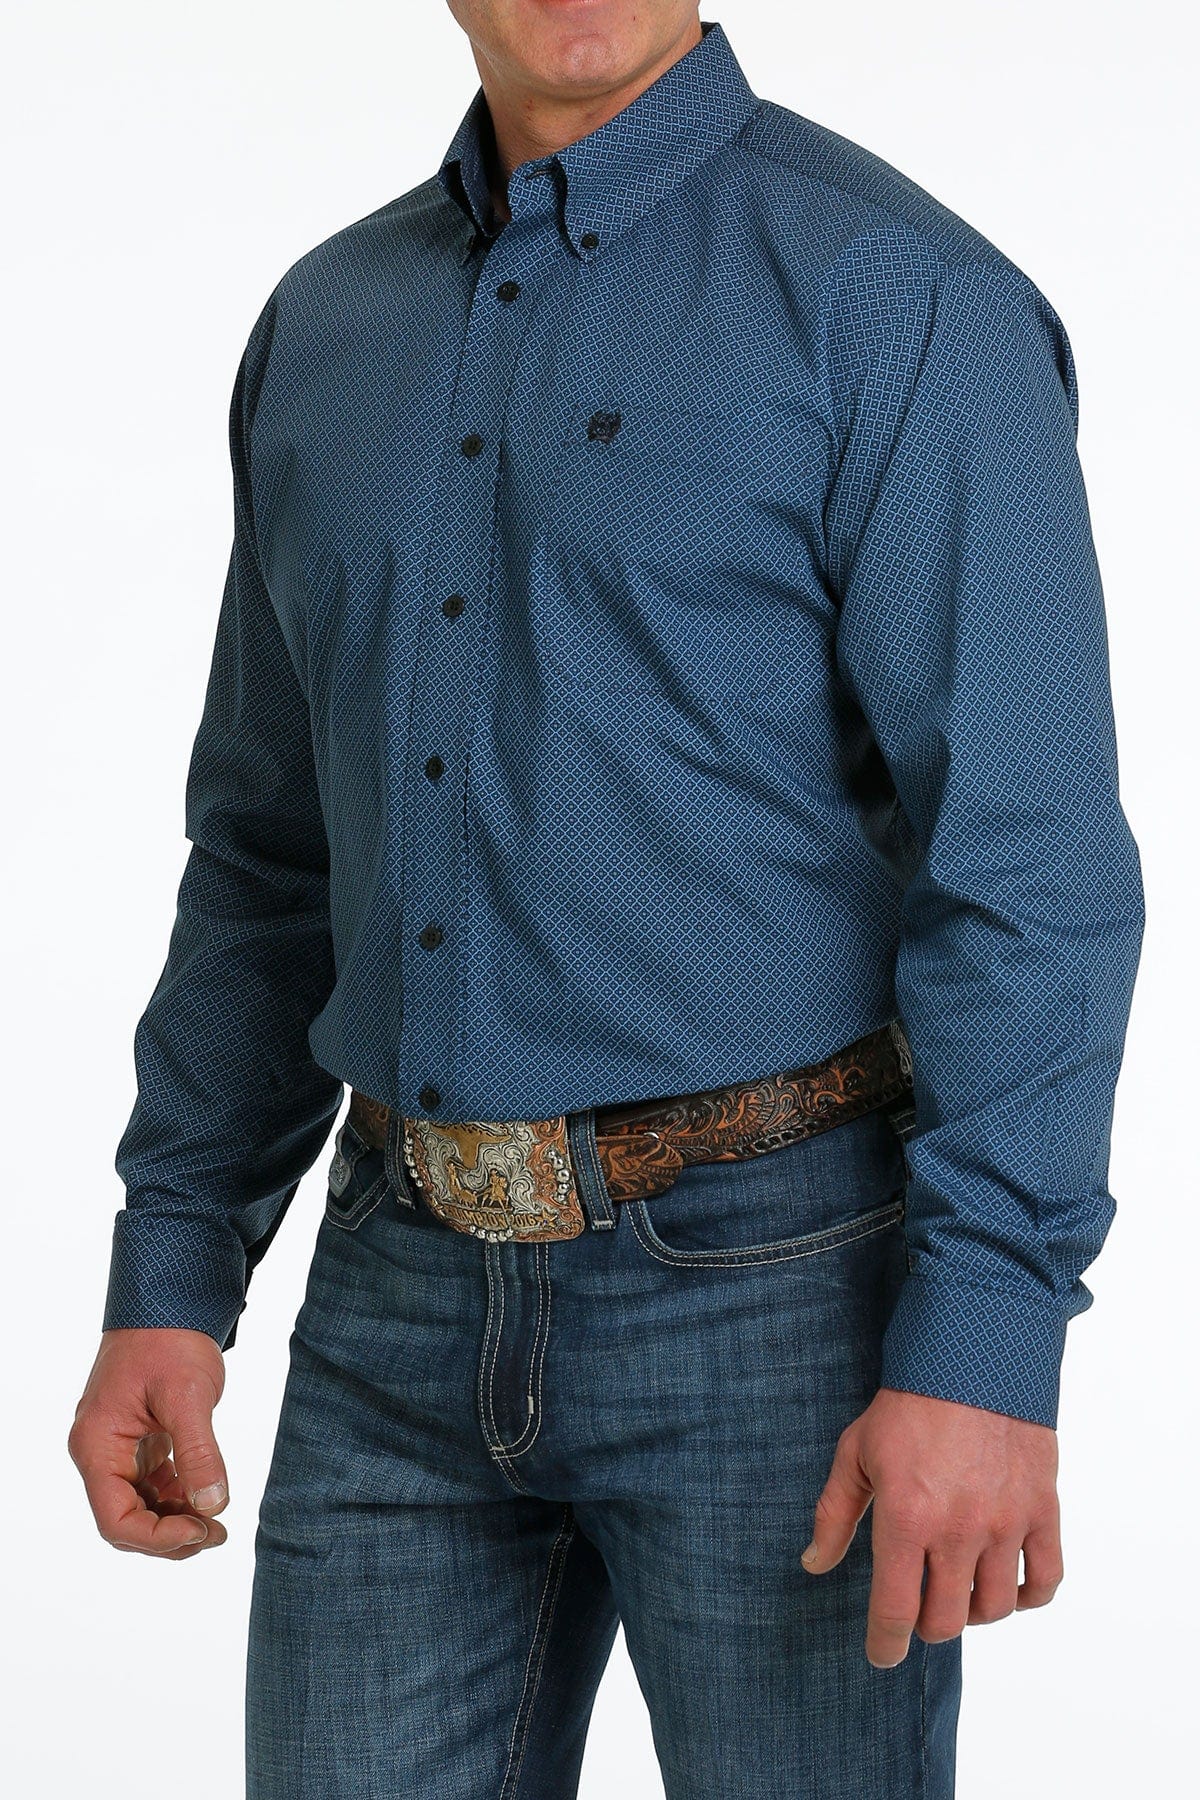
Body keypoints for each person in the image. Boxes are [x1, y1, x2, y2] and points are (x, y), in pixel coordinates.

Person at [68, 6, 1145, 1796]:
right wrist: (174, 1268)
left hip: (784, 1294)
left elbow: (1027, 862)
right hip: (392, 1286)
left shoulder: (899, 299)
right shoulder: (325, 326)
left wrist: (989, 1339)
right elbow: (268, 852)